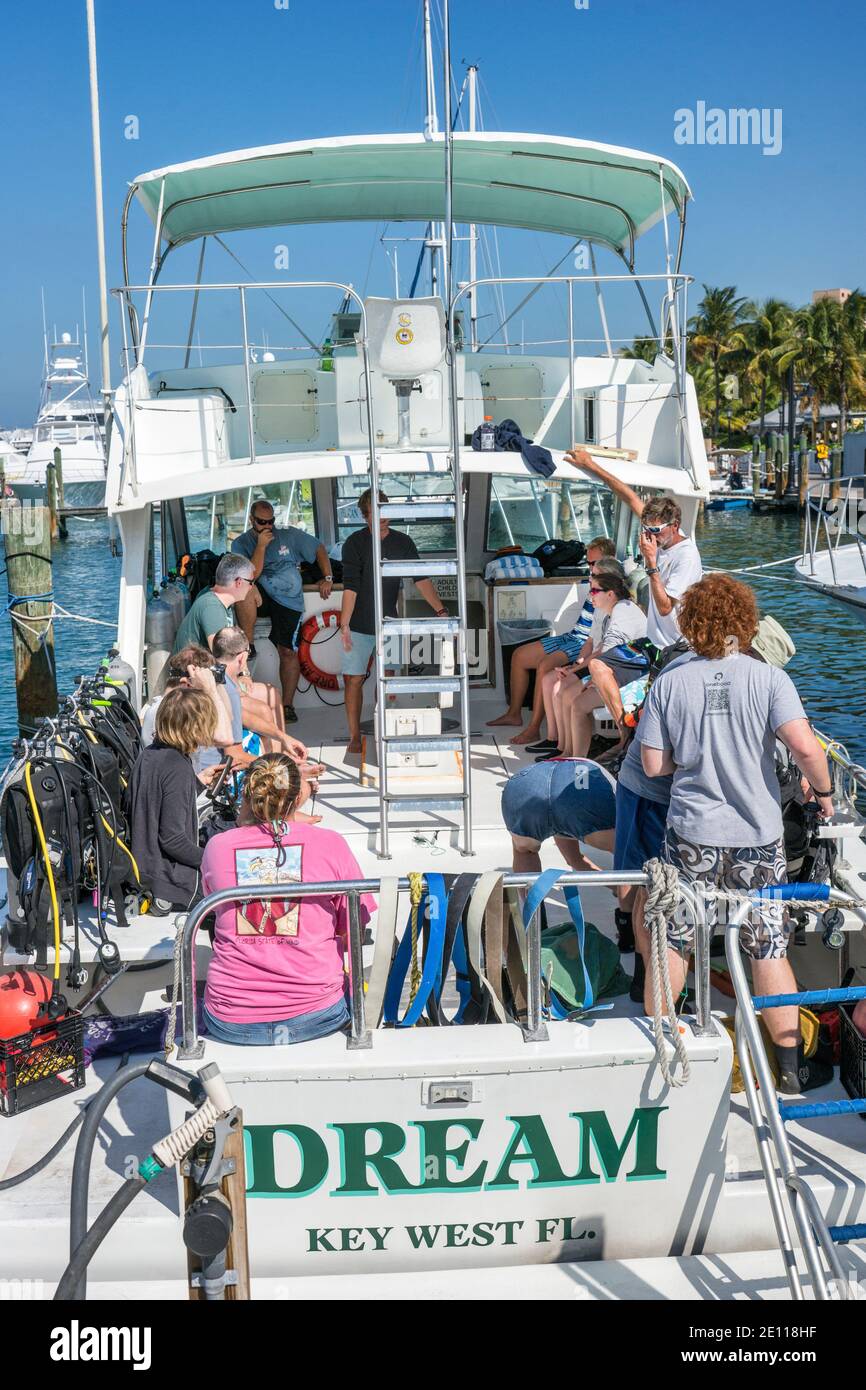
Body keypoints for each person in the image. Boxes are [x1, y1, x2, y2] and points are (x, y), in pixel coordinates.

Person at [638, 574, 836, 1093]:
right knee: (767, 946)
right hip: (757, 836)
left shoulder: (670, 682)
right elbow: (806, 749)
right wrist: (826, 791)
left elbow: (655, 765)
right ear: (744, 623)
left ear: (689, 624)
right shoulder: (768, 680)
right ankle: (790, 1069)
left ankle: (661, 1050)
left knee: (676, 939)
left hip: (693, 836)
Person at [201, 754, 376, 1045]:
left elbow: (216, 910)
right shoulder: (330, 844)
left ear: (247, 793)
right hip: (318, 1013)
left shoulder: (217, 847)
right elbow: (355, 925)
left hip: (231, 1019)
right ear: (298, 797)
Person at [340, 488, 448, 754]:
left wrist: (441, 612)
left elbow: (420, 579)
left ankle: (383, 728)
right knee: (353, 680)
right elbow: (350, 588)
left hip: (391, 623)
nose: (382, 518)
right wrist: (344, 625)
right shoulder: (353, 543)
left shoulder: (403, 542)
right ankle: (355, 736)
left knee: (387, 678)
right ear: (364, 516)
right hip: (358, 625)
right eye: (375, 514)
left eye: (385, 512)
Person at [564, 448, 703, 647]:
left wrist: (652, 563)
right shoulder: (658, 534)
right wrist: (590, 464)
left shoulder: (686, 556)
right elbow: (629, 497)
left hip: (675, 646)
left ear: (675, 525)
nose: (650, 535)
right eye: (647, 528)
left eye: (655, 530)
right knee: (600, 667)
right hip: (653, 642)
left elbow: (665, 608)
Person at [487, 536, 618, 743]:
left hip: (583, 643)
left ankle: (534, 728)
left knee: (545, 665)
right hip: (572, 636)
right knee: (519, 655)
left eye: (594, 563)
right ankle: (514, 714)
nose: (590, 568)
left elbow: (600, 636)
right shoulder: (595, 580)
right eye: (589, 563)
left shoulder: (611, 587)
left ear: (609, 560)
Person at [232, 499, 333, 724]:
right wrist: (260, 546)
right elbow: (250, 575)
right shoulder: (240, 544)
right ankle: (248, 645)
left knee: (287, 651)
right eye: (261, 522)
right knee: (245, 589)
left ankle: (287, 705)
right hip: (260, 592)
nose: (267, 527)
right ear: (251, 520)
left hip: (287, 597)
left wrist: (327, 577)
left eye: (271, 522)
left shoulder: (289, 535)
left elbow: (318, 548)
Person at [543, 569, 647, 760]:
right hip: (620, 670)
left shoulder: (623, 610)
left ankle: (576, 758)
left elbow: (606, 654)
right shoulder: (612, 613)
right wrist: (572, 669)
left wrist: (592, 679)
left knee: (575, 702)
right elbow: (600, 650)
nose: (590, 596)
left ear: (610, 593)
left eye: (594, 591)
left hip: (636, 676)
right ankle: (571, 755)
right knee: (572, 698)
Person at [128, 687, 214, 912]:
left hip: (144, 871)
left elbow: (152, 806)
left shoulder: (149, 754)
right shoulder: (177, 767)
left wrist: (197, 784)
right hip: (172, 882)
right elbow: (173, 841)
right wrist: (215, 858)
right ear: (194, 726)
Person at [502, 756, 616, 874]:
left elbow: (574, 860)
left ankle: (528, 893)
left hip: (525, 784)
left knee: (524, 850)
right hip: (581, 789)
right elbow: (575, 859)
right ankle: (628, 892)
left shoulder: (559, 819)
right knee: (628, 853)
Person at [212, 627, 311, 762]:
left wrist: (282, 737)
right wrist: (277, 769)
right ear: (242, 658)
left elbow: (244, 716)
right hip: (216, 770)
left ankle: (280, 758)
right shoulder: (227, 690)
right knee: (301, 783)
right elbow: (234, 756)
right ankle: (278, 761)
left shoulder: (212, 677)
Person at [172, 553, 255, 654]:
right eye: (251, 582)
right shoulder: (212, 607)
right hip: (192, 668)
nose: (251, 587)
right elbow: (221, 656)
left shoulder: (210, 594)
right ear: (239, 582)